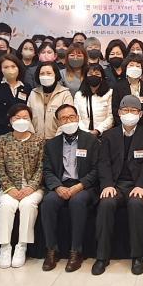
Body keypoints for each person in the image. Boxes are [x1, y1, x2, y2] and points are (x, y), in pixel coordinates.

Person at [93, 96, 143, 275]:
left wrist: (142, 185)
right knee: (106, 203)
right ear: (119, 113)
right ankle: (102, 256)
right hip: (115, 184)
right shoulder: (109, 136)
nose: (129, 114)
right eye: (125, 110)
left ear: (140, 114)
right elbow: (103, 163)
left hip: (137, 185)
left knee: (136, 204)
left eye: (133, 111)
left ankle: (137, 257)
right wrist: (107, 184)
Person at [40, 104, 100, 272]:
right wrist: (57, 187)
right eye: (64, 118)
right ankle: (52, 250)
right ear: (58, 122)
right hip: (61, 185)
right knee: (48, 202)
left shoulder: (91, 140)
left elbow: (97, 169)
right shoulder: (51, 144)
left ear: (78, 118)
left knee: (77, 201)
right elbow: (47, 170)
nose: (68, 121)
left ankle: (76, 251)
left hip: (84, 186)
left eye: (71, 117)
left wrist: (80, 186)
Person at [0, 104, 46, 269]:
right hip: (9, 188)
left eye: (25, 118)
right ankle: (5, 247)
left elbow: (41, 167)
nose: (21, 120)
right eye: (17, 117)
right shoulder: (2, 140)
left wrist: (31, 187)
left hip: (33, 188)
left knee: (27, 205)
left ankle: (21, 246)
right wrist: (10, 189)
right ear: (10, 120)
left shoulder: (39, 140)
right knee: (5, 206)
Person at [0, 54, 32, 137]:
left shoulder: (26, 87)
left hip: (22, 131)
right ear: (0, 70)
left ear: (18, 68)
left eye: (13, 66)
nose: (10, 70)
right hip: (1, 132)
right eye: (6, 67)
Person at [28, 62, 74, 139]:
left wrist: (56, 140)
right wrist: (33, 138)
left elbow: (68, 119)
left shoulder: (65, 94)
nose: (45, 76)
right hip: (35, 140)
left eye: (49, 73)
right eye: (42, 74)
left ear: (55, 75)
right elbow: (28, 117)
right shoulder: (33, 93)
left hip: (58, 139)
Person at [111, 54, 143, 130]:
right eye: (131, 65)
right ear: (126, 68)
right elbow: (115, 110)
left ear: (142, 69)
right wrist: (125, 127)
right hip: (122, 128)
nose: (134, 68)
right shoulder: (118, 87)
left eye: (138, 66)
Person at [74, 64, 114, 137]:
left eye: (97, 74)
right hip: (83, 134)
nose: (93, 76)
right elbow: (76, 116)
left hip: (104, 134)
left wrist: (98, 130)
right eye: (90, 74)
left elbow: (111, 116)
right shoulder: (78, 95)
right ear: (86, 77)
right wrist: (87, 132)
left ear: (102, 77)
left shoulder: (110, 93)